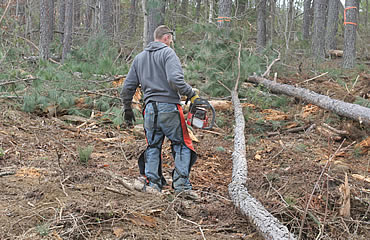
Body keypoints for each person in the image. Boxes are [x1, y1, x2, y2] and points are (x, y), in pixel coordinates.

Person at [120, 25, 199, 197]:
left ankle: (153, 184)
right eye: (170, 39)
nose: (170, 42)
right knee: (181, 144)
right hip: (169, 107)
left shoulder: (139, 58)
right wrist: (191, 93)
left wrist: (127, 108)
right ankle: (182, 187)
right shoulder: (168, 53)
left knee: (153, 146)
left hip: (149, 110)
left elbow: (127, 87)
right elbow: (175, 79)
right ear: (166, 38)